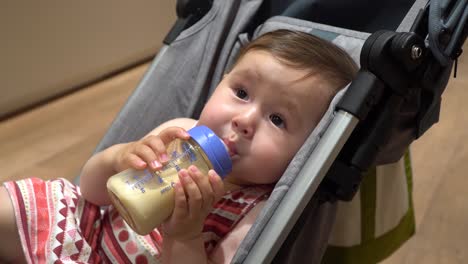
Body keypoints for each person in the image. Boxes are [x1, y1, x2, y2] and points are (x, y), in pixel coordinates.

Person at [0, 29, 358, 263]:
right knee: (35, 202)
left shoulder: (254, 210)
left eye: (278, 120)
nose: (244, 121)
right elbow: (91, 192)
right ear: (220, 83)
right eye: (242, 93)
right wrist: (117, 159)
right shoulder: (179, 132)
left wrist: (184, 236)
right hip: (86, 229)